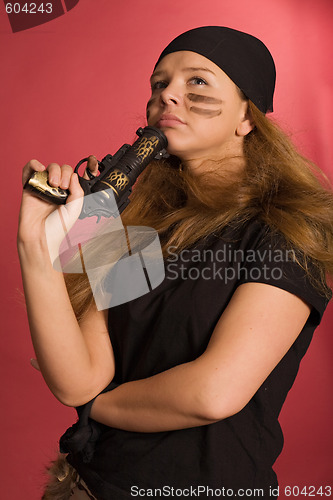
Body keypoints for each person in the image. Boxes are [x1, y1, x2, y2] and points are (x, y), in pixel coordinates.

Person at [17, 27, 333, 500]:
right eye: (158, 84)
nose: (168, 95)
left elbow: (213, 393)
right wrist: (37, 246)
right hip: (88, 486)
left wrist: (96, 407)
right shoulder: (132, 226)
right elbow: (77, 378)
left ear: (247, 117)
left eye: (197, 83)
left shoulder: (288, 229)